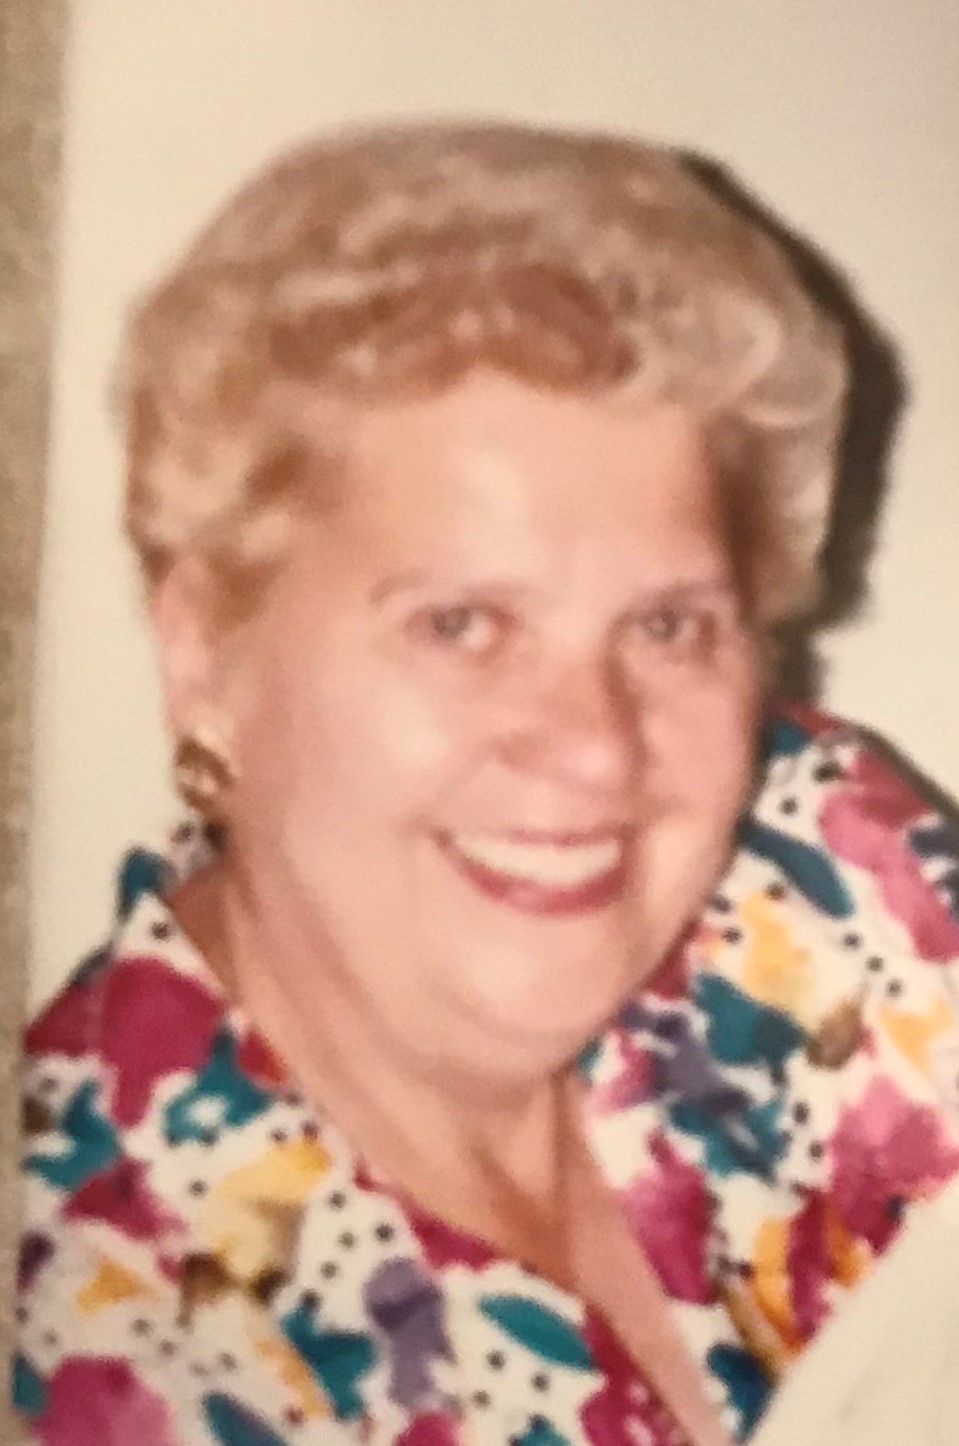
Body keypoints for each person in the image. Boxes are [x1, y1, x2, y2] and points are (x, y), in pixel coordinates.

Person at [15, 120, 959, 1446]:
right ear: (205, 652)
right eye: (462, 623)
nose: (595, 746)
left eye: (668, 625)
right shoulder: (90, 1312)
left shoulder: (817, 873)